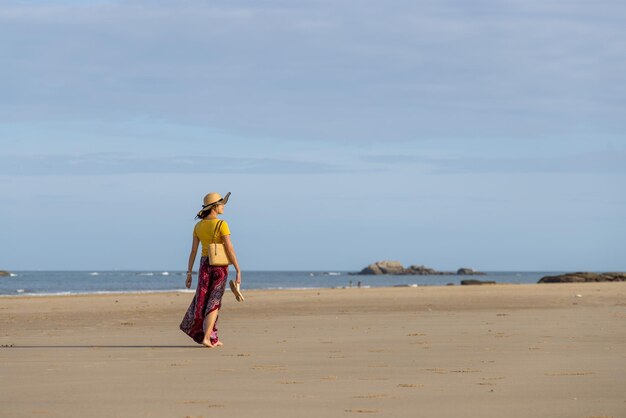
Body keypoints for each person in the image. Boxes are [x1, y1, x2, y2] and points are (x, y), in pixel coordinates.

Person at [180, 192, 242, 348]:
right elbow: (229, 248)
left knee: (204, 299)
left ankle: (213, 337)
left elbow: (193, 251)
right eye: (222, 204)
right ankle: (207, 337)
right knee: (214, 302)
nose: (223, 207)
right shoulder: (222, 224)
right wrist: (237, 268)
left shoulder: (198, 226)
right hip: (219, 266)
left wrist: (189, 272)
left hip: (204, 265)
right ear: (214, 207)